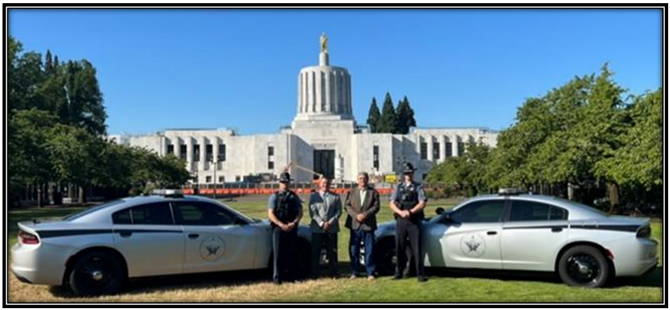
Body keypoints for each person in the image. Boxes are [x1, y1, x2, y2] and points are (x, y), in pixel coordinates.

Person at [389, 162, 428, 282]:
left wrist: (410, 212)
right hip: (401, 220)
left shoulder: (418, 187)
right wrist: (400, 212)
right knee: (399, 247)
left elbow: (422, 203)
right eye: (406, 173)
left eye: (410, 172)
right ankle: (398, 272)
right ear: (403, 174)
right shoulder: (398, 187)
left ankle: (420, 274)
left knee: (417, 248)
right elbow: (391, 203)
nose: (408, 175)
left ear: (413, 173)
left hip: (413, 220)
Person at [267, 172, 303, 285]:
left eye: (286, 182)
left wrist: (294, 223)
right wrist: (280, 224)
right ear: (279, 182)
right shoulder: (274, 196)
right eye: (282, 182)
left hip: (291, 226)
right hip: (278, 228)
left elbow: (300, 212)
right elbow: (270, 213)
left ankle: (292, 276)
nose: (284, 184)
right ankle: (277, 278)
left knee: (292, 252)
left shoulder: (294, 196)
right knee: (278, 254)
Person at [345, 172, 380, 281]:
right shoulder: (351, 192)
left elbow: (376, 206)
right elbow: (347, 206)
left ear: (367, 180)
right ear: (357, 180)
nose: (362, 180)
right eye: (360, 178)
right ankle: (355, 272)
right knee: (354, 249)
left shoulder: (373, 192)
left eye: (364, 178)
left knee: (369, 249)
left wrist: (365, 215)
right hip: (355, 225)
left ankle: (370, 272)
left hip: (368, 224)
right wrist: (356, 216)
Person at [308, 176, 342, 278]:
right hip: (317, 229)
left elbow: (338, 211)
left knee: (332, 252)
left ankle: (333, 273)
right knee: (316, 252)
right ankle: (315, 273)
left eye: (327, 183)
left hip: (332, 228)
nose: (325, 185)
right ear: (319, 184)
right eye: (323, 183)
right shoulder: (314, 196)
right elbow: (312, 212)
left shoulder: (335, 197)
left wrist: (330, 222)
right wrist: (322, 223)